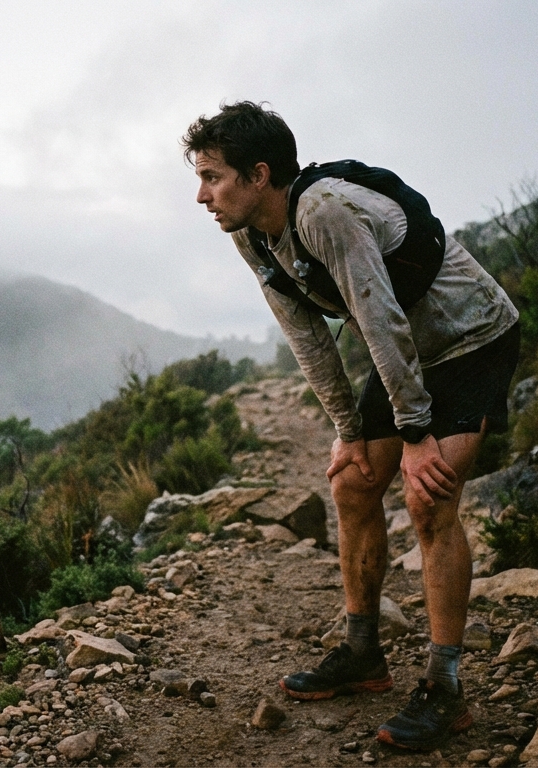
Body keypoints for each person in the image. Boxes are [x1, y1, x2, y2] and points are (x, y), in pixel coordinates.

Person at [182, 101, 519, 750]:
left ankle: (446, 690)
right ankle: (364, 655)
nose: (201, 196)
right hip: (406, 347)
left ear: (258, 175)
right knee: (354, 484)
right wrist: (348, 428)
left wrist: (416, 436)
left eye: (212, 177)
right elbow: (306, 335)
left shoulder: (324, 211)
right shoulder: (251, 234)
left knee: (429, 499)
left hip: (469, 337)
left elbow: (377, 315)